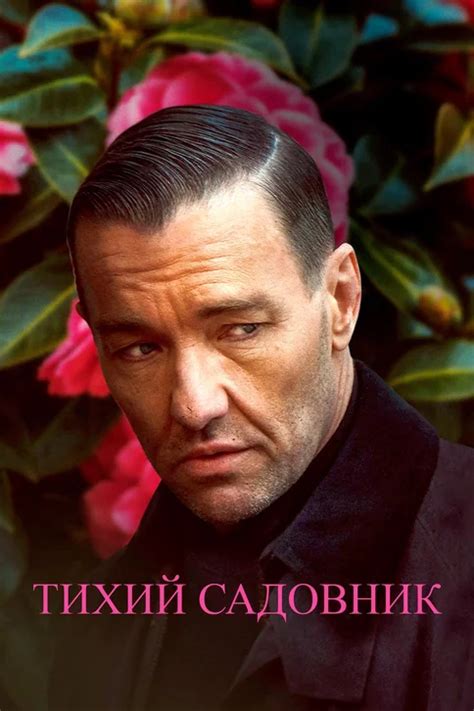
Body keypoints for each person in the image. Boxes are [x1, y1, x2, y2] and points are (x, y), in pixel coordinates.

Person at [48, 105, 473, 711]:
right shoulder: (98, 624)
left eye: (241, 330)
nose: (194, 405)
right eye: (140, 348)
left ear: (341, 300)